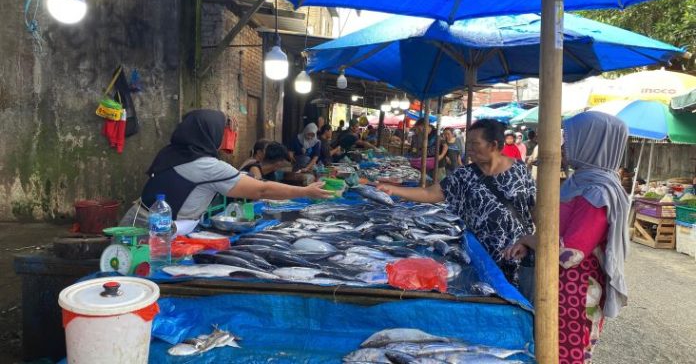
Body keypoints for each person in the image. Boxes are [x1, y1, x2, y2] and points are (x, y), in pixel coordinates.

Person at [504, 111, 630, 364]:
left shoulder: (598, 192)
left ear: (591, 142)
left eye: (571, 137)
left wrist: (529, 239)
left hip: (576, 291)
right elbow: (557, 233)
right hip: (560, 285)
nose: (564, 145)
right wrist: (530, 243)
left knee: (565, 356)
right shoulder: (580, 181)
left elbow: (570, 254)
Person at [378, 119, 535, 282]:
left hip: (518, 253)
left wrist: (530, 241)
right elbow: (430, 193)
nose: (469, 149)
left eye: (475, 144)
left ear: (493, 145)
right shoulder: (464, 175)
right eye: (469, 143)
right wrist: (394, 190)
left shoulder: (520, 171)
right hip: (479, 256)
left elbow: (535, 209)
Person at [119, 110, 330, 227]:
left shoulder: (170, 152)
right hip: (155, 233)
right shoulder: (206, 166)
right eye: (223, 132)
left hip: (134, 220)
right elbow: (261, 190)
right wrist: (305, 191)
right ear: (209, 135)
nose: (226, 137)